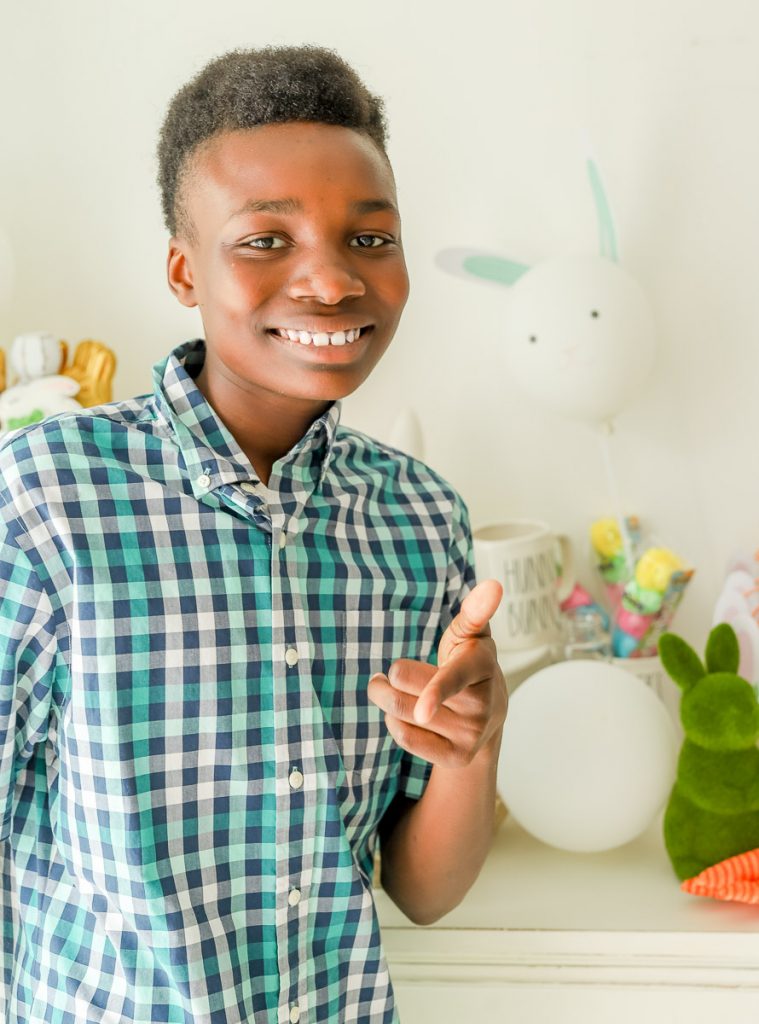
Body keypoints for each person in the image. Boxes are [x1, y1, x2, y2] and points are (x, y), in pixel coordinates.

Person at [0, 45, 507, 1024]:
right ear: (185, 269)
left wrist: (471, 751)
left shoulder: (420, 520)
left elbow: (423, 889)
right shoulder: (49, 494)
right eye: (266, 240)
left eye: (369, 240)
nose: (329, 282)